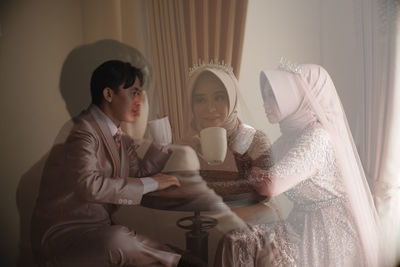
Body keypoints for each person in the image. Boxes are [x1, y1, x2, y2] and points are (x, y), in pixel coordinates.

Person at [30, 60, 204, 267]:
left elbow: (137, 173)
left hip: (100, 229)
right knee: (117, 239)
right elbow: (89, 186)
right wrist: (153, 183)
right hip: (64, 235)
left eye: (140, 93)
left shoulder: (120, 137)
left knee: (119, 237)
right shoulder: (82, 130)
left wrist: (162, 143)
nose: (139, 100)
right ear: (108, 94)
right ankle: (177, 260)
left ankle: (177, 259)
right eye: (133, 92)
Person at [215, 62, 381, 266]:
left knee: (243, 244)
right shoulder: (289, 138)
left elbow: (269, 185)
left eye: (273, 96)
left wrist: (257, 171)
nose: (265, 103)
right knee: (236, 240)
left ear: (294, 98)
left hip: (329, 234)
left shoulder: (317, 137)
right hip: (300, 224)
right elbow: (251, 167)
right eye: (265, 95)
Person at [179, 62, 273, 201]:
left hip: (250, 220)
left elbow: (265, 192)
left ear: (232, 99)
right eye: (200, 100)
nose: (210, 108)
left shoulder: (255, 140)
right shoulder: (188, 145)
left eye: (219, 97)